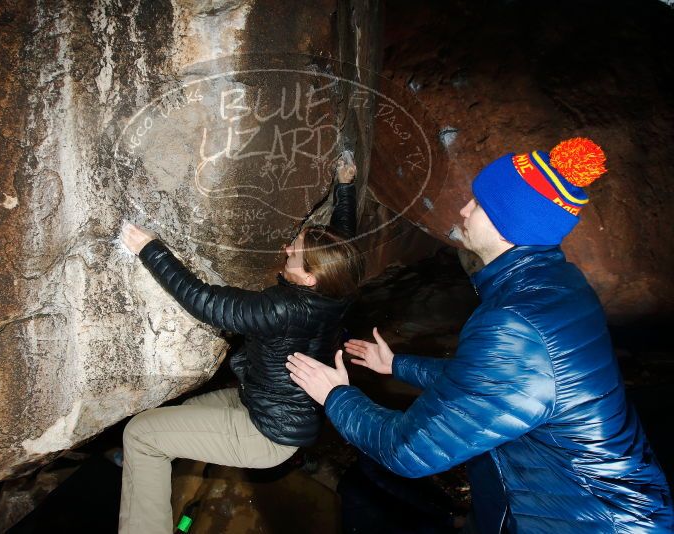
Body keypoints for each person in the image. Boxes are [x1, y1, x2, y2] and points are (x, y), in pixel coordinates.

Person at [286, 138, 674, 533]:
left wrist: (336, 396)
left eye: (480, 203)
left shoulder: (515, 323)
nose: (464, 209)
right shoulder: (556, 285)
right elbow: (489, 383)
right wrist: (397, 365)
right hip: (583, 502)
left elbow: (408, 449)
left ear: (510, 223)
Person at [118, 158, 364, 534]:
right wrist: (345, 188)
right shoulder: (337, 290)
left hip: (266, 434)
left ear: (311, 278)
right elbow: (341, 242)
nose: (285, 249)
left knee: (140, 435)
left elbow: (207, 302)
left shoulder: (284, 308)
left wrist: (151, 250)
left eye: (293, 253)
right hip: (259, 401)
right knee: (183, 413)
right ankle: (168, 490)